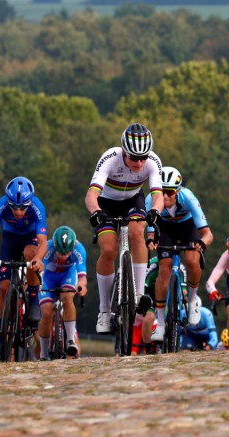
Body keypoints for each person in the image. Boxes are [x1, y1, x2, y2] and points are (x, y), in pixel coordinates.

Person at [85, 123, 163, 334]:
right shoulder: (110, 158)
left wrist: (155, 210)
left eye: (143, 158)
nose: (139, 163)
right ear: (123, 152)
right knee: (109, 249)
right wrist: (95, 213)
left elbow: (157, 196)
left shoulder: (153, 162)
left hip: (133, 201)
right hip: (106, 203)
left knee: (138, 232)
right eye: (134, 158)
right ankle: (104, 312)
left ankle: (138, 294)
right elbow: (91, 195)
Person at [145, 166, 213, 342]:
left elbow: (207, 234)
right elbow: (151, 233)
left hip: (187, 227)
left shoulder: (188, 198)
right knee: (164, 270)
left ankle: (192, 300)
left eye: (170, 192)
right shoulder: (150, 200)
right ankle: (160, 324)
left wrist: (201, 243)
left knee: (192, 260)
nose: (165, 196)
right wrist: (150, 240)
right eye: (162, 191)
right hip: (165, 228)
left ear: (178, 191)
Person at [0, 176, 48, 325]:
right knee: (4, 288)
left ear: (30, 202)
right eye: (14, 207)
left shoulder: (38, 207)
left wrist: (38, 258)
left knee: (31, 254)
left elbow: (43, 242)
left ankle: (32, 297)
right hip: (10, 237)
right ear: (7, 201)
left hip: (30, 236)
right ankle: (2, 328)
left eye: (23, 207)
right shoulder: (0, 205)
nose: (18, 211)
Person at [37, 226, 87, 360]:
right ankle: (43, 352)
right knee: (47, 312)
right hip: (48, 277)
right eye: (60, 253)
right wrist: (39, 285)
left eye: (67, 253)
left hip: (67, 275)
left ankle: (70, 340)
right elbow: (40, 271)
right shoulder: (47, 248)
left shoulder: (79, 250)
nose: (63, 257)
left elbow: (82, 276)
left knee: (67, 297)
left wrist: (82, 285)